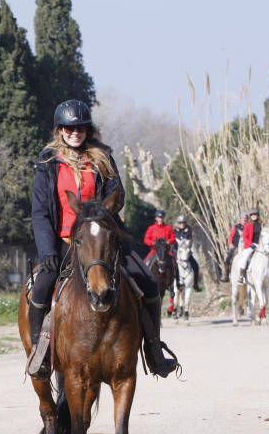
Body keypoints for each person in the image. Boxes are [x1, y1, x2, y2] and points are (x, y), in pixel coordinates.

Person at [27, 99, 178, 378]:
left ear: (88, 129)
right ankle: (41, 354)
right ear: (59, 130)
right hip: (64, 241)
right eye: (69, 128)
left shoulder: (102, 157)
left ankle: (154, 351)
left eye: (81, 128)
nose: (75, 133)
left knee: (146, 281)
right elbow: (39, 212)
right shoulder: (48, 162)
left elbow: (116, 193)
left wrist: (100, 214)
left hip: (103, 239)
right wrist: (47, 251)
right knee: (40, 289)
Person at [238, 208, 269, 284]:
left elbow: (267, 234)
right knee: (245, 258)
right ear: (250, 216)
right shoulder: (248, 225)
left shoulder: (262, 224)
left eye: (255, 215)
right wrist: (251, 245)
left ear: (258, 215)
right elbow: (245, 237)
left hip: (262, 245)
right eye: (252, 215)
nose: (254, 216)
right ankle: (241, 276)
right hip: (251, 245)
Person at [173, 215, 203, 292]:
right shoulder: (175, 230)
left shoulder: (188, 229)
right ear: (178, 223)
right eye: (180, 223)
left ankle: (195, 284)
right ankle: (173, 284)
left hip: (186, 253)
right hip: (176, 253)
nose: (181, 224)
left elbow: (188, 240)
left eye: (183, 222)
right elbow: (173, 241)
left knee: (195, 266)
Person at [219, 211, 247, 282]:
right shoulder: (236, 227)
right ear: (240, 219)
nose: (244, 220)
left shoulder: (248, 227)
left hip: (246, 247)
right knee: (227, 259)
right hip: (236, 246)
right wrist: (230, 244)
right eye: (243, 218)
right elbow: (231, 236)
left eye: (245, 218)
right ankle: (226, 275)